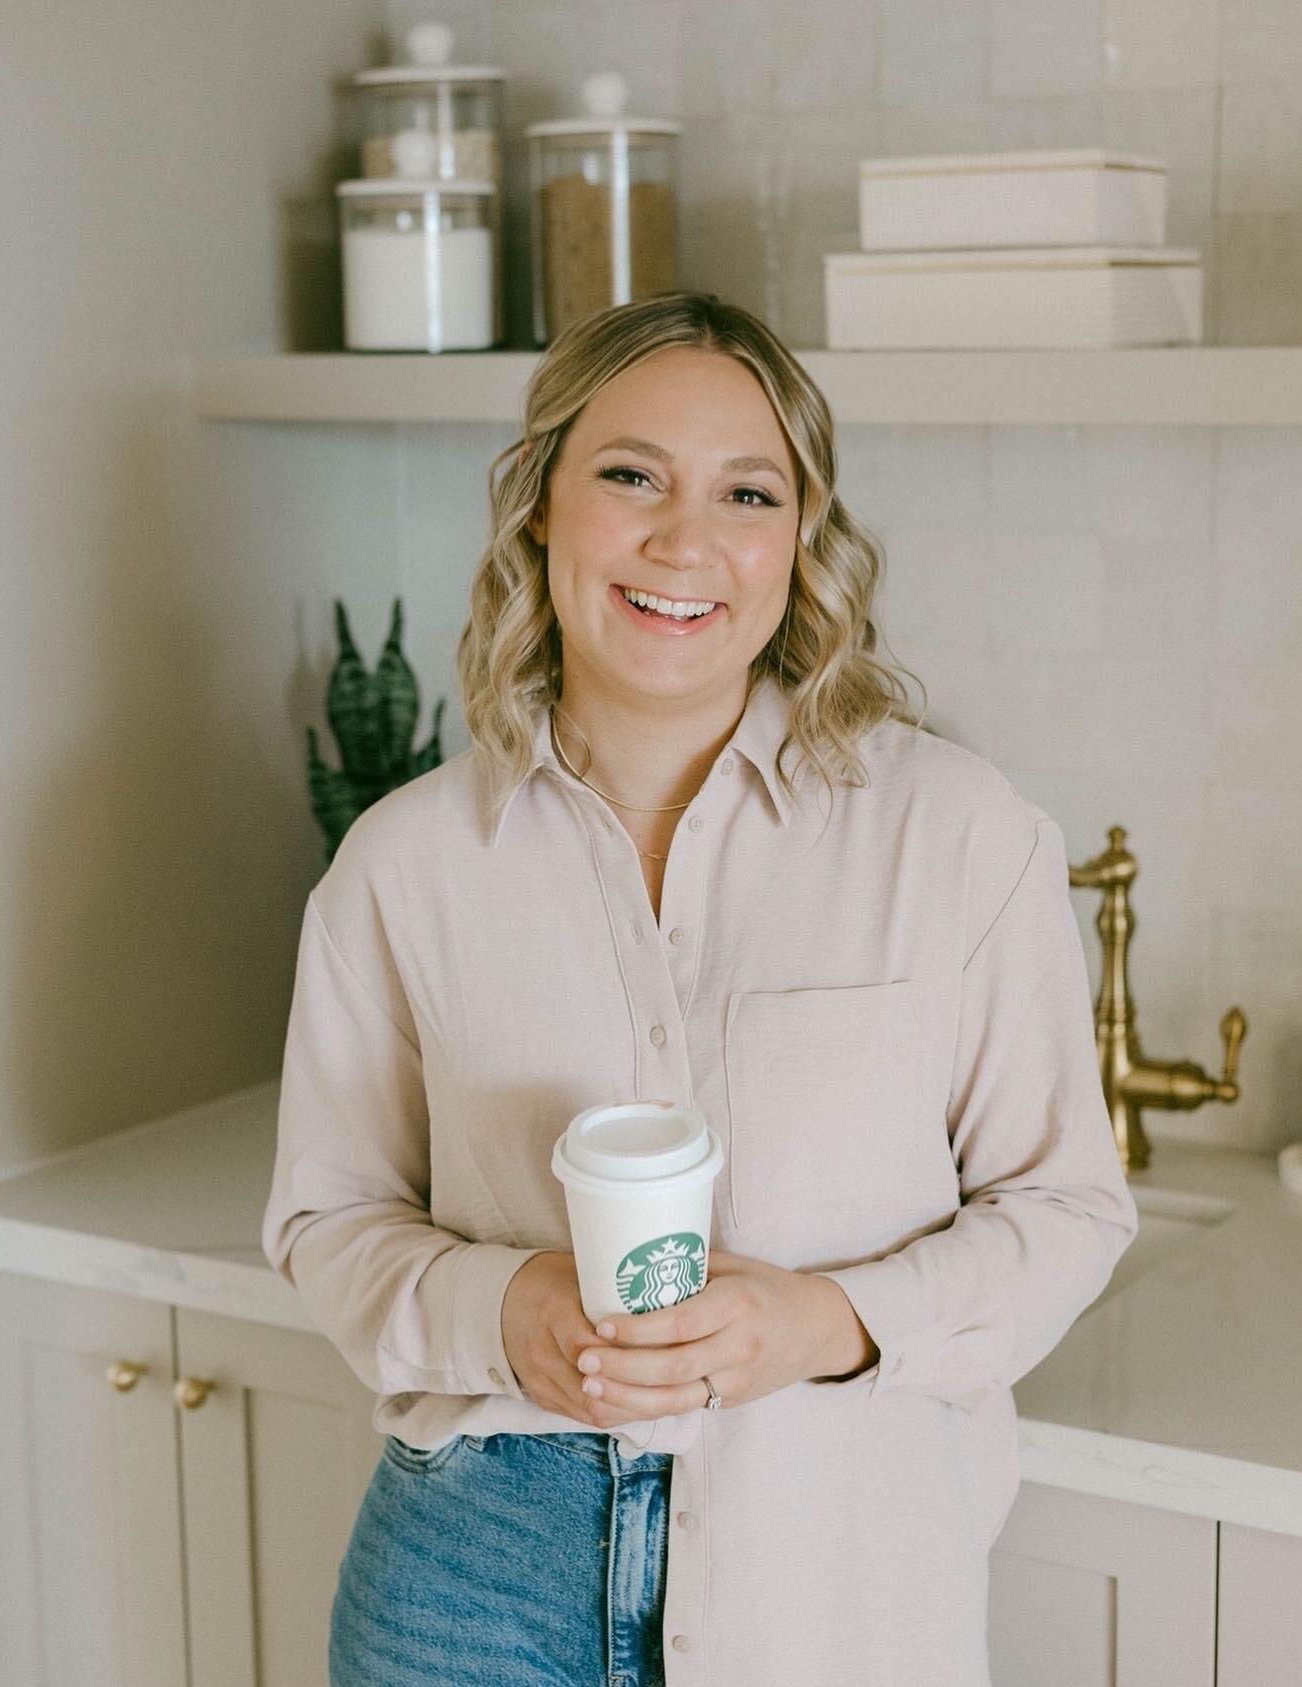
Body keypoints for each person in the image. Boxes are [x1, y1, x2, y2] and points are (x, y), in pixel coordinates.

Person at [260, 290, 1139, 1687]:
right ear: (541, 507)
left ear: (799, 541)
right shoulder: (404, 864)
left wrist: (823, 1321)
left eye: (745, 491)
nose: (685, 541)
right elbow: (326, 1221)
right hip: (473, 1574)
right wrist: (506, 1310)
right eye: (628, 477)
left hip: (828, 1566)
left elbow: (1066, 1209)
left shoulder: (955, 834)